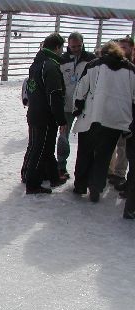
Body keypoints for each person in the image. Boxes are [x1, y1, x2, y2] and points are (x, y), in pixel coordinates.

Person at [72, 41, 135, 202]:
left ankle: (80, 184)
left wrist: (78, 106)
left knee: (85, 151)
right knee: (104, 155)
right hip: (115, 120)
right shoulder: (130, 70)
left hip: (93, 116)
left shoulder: (94, 65)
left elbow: (82, 87)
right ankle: (96, 187)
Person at [22, 33, 67, 194]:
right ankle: (33, 184)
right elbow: (54, 95)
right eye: (61, 48)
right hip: (45, 116)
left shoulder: (37, 63)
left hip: (34, 111)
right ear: (57, 48)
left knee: (44, 148)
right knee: (40, 149)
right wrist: (61, 119)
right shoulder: (50, 66)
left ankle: (53, 177)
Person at [57, 32, 96, 178]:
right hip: (66, 105)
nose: (76, 49)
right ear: (68, 45)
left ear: (83, 43)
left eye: (78, 46)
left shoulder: (91, 59)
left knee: (86, 139)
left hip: (85, 107)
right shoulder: (62, 59)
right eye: (73, 46)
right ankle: (61, 165)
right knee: (63, 137)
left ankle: (84, 171)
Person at [107, 37, 135, 188]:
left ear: (132, 48)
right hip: (113, 110)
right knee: (110, 142)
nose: (122, 50)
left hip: (128, 113)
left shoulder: (132, 67)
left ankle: (119, 173)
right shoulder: (113, 64)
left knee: (123, 145)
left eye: (125, 47)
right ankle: (109, 170)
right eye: (120, 47)